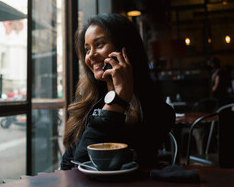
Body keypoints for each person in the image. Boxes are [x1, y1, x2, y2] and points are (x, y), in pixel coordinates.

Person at [60, 13, 175, 170]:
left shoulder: (159, 113)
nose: (91, 55)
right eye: (87, 49)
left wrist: (118, 101)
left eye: (99, 44)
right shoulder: (86, 102)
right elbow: (69, 163)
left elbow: (86, 162)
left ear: (125, 48)